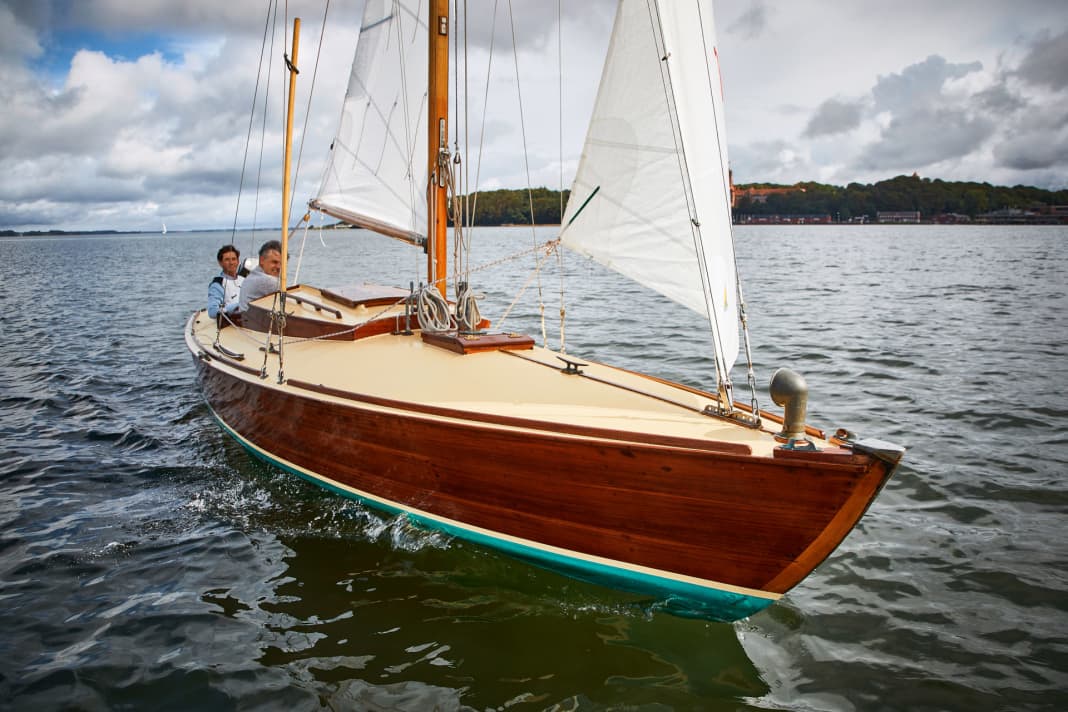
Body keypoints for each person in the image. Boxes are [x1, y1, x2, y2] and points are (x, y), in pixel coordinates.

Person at [239, 240, 283, 312]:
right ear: (262, 260)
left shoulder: (252, 275)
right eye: (274, 262)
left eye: (282, 263)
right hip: (257, 321)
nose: (279, 267)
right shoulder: (269, 281)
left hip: (248, 319)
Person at [207, 244, 244, 318]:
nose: (231, 263)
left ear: (238, 261)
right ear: (220, 263)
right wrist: (239, 305)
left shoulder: (244, 279)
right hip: (231, 323)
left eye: (234, 259)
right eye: (227, 260)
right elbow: (212, 312)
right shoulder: (217, 285)